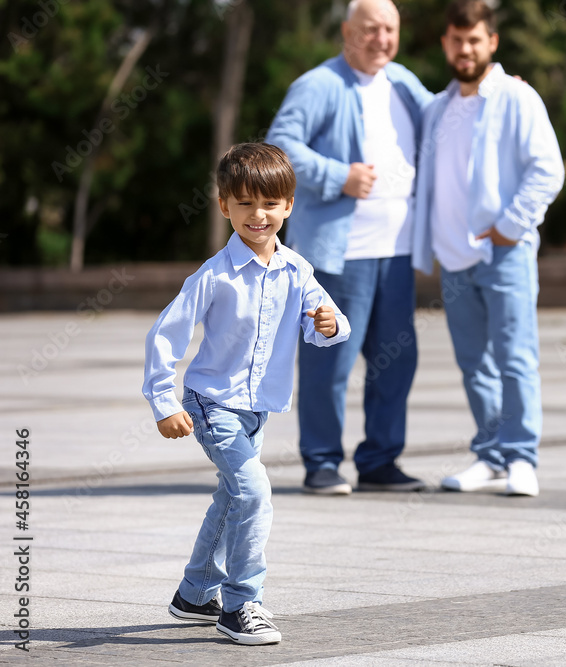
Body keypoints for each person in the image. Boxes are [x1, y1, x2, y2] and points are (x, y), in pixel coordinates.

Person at [142, 143, 351, 645]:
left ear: (289, 206)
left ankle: (194, 594)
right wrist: (164, 402)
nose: (258, 215)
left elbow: (330, 323)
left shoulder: (297, 270)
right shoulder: (213, 275)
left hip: (257, 409)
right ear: (223, 206)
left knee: (231, 497)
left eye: (269, 204)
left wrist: (329, 322)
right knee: (254, 492)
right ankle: (240, 605)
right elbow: (165, 334)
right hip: (211, 404)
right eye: (244, 204)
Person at [266, 0, 432, 495]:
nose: (381, 38)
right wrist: (340, 176)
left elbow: (448, 121)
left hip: (398, 253)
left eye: (390, 29)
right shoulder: (318, 84)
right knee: (329, 359)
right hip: (339, 255)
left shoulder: (404, 83)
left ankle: (380, 461)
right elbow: (280, 144)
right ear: (346, 31)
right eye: (371, 29)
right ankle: (321, 462)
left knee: (397, 360)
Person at [412, 0, 564, 496]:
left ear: (491, 42)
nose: (465, 49)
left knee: (516, 357)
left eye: (474, 40)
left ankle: (522, 457)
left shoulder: (518, 98)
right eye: (456, 40)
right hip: (455, 258)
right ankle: (491, 454)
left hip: (505, 254)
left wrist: (511, 225)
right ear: (445, 44)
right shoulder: (437, 107)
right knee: (474, 362)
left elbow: (548, 169)